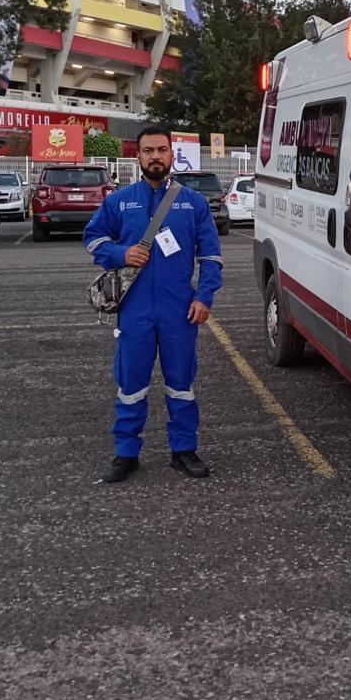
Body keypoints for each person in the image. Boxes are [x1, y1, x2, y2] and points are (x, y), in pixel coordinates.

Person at [83, 127, 224, 482]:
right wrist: (121, 252)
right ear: (139, 157)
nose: (155, 156)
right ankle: (126, 453)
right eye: (148, 150)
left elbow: (211, 256)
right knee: (131, 384)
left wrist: (204, 297)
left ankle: (184, 450)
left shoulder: (194, 203)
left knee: (181, 383)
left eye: (162, 149)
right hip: (135, 310)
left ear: (172, 155)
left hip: (180, 310)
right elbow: (93, 239)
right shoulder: (119, 201)